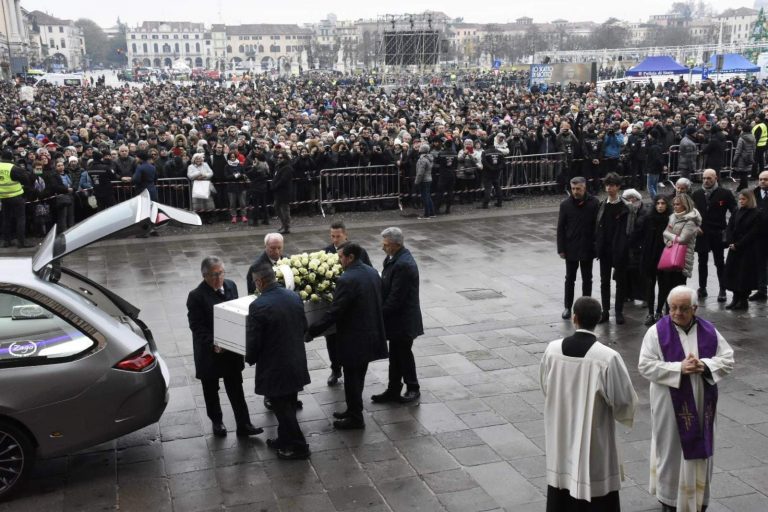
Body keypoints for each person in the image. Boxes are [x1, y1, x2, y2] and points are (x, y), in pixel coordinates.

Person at [638, 286, 734, 512]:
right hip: (668, 407)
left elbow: (728, 359)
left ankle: (697, 499)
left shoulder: (709, 332)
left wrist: (706, 365)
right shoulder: (656, 333)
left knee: (698, 449)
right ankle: (669, 500)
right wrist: (678, 368)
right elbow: (644, 365)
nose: (677, 313)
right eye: (673, 308)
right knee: (670, 452)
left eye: (683, 309)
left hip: (701, 405)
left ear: (694, 308)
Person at [540, 296, 637, 512]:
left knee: (562, 479)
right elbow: (623, 399)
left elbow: (545, 386)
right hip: (594, 435)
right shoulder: (607, 357)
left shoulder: (552, 350)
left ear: (574, 318)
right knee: (594, 478)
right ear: (598, 319)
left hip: (560, 429)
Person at [306, 243, 388, 429]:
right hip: (371, 333)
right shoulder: (371, 272)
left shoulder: (347, 279)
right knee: (359, 376)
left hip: (354, 338)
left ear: (350, 257)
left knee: (352, 379)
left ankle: (356, 418)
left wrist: (312, 331)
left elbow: (335, 312)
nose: (339, 260)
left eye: (341, 257)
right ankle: (352, 410)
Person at [186, 256, 263, 438]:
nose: (219, 277)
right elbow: (196, 325)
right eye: (214, 274)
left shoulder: (230, 285)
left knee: (236, 387)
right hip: (209, 352)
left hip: (231, 350)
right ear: (205, 275)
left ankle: (244, 424)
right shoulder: (196, 296)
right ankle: (217, 421)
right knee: (211, 389)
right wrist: (213, 343)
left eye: (221, 273)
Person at [245, 263, 310, 460]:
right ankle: (284, 439)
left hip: (275, 366)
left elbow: (254, 339)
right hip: (295, 359)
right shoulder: (293, 296)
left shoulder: (258, 305)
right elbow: (304, 326)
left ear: (259, 281)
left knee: (282, 409)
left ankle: (299, 446)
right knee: (288, 402)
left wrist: (250, 358)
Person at [372, 227, 424, 404]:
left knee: (403, 353)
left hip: (403, 320)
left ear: (396, 244)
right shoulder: (393, 257)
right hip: (397, 320)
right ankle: (393, 389)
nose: (382, 247)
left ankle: (412, 387)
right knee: (396, 355)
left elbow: (396, 298)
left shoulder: (403, 265)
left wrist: (378, 315)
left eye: (386, 244)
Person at [322, 221, 371, 386]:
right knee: (331, 339)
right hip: (335, 301)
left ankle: (352, 368)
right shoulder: (326, 252)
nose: (335, 240)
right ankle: (335, 369)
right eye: (332, 236)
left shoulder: (359, 252)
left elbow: (368, 271)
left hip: (351, 304)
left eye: (338, 236)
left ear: (345, 235)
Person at [594, 172, 637, 324]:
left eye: (611, 185)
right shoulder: (602, 205)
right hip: (605, 249)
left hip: (620, 249)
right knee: (604, 281)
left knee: (620, 281)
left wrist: (626, 245)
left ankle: (618, 311)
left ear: (618, 187)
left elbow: (630, 229)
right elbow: (598, 226)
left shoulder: (627, 207)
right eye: (607, 185)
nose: (608, 188)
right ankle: (605, 310)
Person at [557, 176, 599, 319]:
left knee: (587, 278)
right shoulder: (565, 205)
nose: (575, 192)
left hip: (587, 247)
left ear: (584, 188)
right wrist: (561, 249)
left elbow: (597, 227)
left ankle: (585, 307)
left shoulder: (594, 203)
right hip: (571, 247)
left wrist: (596, 246)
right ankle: (567, 307)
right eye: (573, 189)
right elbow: (560, 228)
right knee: (570, 278)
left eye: (578, 189)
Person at [692, 169, 735, 302]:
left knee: (719, 262)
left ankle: (722, 289)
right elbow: (691, 213)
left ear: (716, 178)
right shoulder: (697, 194)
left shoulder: (725, 193)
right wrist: (695, 226)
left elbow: (734, 211)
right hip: (702, 233)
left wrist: (729, 229)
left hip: (717, 232)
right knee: (702, 261)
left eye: (709, 178)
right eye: (704, 178)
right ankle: (702, 287)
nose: (706, 180)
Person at [659, 194, 701, 314]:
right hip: (670, 254)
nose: (675, 207)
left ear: (685, 205)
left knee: (678, 288)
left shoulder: (691, 220)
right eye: (674, 204)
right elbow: (665, 233)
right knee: (667, 287)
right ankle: (669, 312)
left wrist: (668, 236)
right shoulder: (673, 217)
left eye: (678, 204)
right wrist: (668, 240)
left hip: (682, 258)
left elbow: (682, 239)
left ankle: (679, 312)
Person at [724, 190, 761, 311]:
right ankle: (735, 298)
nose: (741, 201)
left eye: (743, 199)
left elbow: (753, 233)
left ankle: (743, 300)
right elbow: (730, 226)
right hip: (734, 248)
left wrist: (738, 244)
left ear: (749, 200)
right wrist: (730, 241)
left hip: (746, 250)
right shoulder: (736, 211)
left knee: (744, 276)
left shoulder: (756, 214)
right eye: (739, 199)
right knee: (733, 274)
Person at [641, 196, 672, 326]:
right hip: (649, 255)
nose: (660, 206)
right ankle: (650, 312)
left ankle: (659, 310)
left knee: (663, 285)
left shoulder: (670, 219)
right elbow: (639, 233)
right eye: (658, 203)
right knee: (649, 284)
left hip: (664, 254)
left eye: (663, 203)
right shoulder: (648, 218)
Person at [0, 148, 31, 248]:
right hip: (16, 196)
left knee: (6, 219)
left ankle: (6, 241)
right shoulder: (14, 167)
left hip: (3, 197)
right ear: (11, 158)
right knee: (20, 219)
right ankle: (21, 242)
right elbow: (26, 179)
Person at [750, 170, 768, 301]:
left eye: (765, 179)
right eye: (761, 179)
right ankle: (762, 289)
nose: (762, 181)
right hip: (758, 235)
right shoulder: (753, 194)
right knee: (760, 263)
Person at [271, 151, 293, 234]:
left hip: (284, 192)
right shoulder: (278, 167)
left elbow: (283, 180)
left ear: (285, 158)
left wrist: (275, 186)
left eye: (281, 158)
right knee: (277, 207)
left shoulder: (287, 168)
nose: (279, 159)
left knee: (285, 210)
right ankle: (283, 224)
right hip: (278, 192)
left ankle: (286, 226)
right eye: (278, 158)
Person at [479, 141, 504, 209]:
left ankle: (485, 204)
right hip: (496, 172)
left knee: (488, 189)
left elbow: (483, 162)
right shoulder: (500, 152)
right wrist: (497, 168)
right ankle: (499, 202)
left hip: (487, 172)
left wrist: (491, 168)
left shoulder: (485, 152)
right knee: (497, 187)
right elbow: (502, 162)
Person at [413, 143, 435, 219]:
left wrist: (416, 181)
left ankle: (427, 214)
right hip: (429, 179)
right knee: (428, 196)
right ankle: (432, 212)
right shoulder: (429, 158)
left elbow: (420, 172)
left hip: (424, 180)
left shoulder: (422, 159)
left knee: (425, 197)